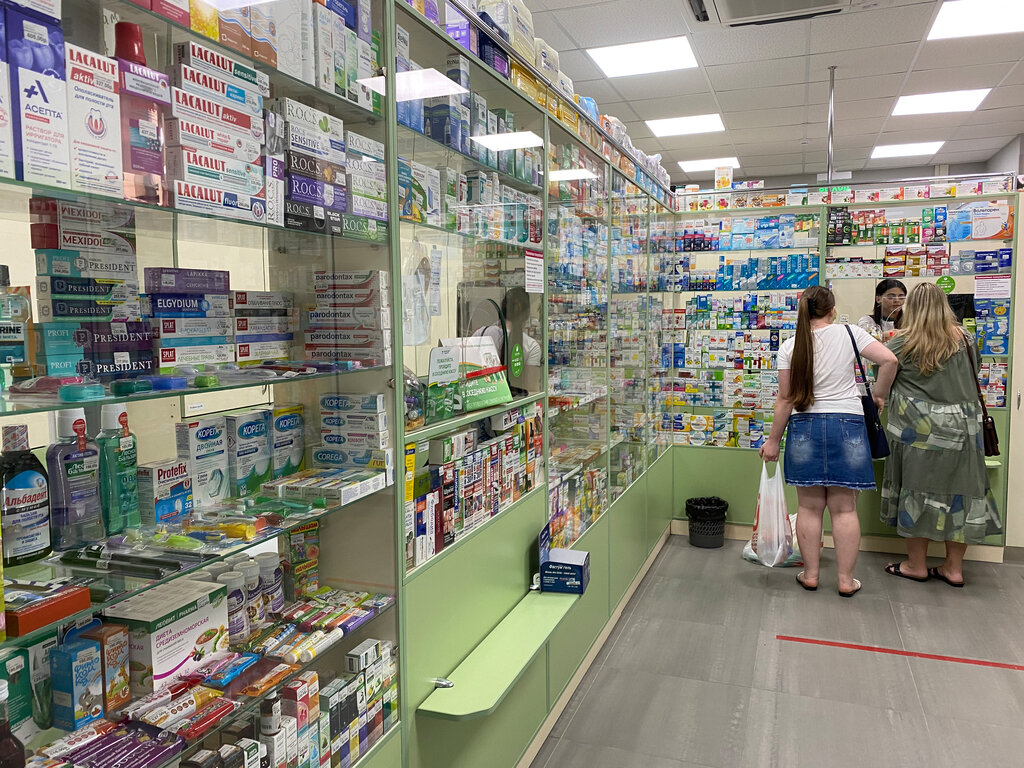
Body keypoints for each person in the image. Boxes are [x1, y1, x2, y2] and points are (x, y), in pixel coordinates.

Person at [760, 286, 898, 597]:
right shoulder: (850, 333)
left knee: (809, 508)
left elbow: (785, 399)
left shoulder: (790, 345)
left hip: (804, 425)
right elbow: (889, 360)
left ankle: (810, 575)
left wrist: (773, 441)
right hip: (847, 424)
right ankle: (846, 581)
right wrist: (878, 396)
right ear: (832, 310)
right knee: (845, 509)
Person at [881, 283, 1002, 587]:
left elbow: (882, 375)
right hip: (964, 427)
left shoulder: (902, 342)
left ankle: (916, 565)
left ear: (911, 306)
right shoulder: (966, 338)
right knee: (962, 493)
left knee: (916, 493)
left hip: (918, 430)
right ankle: (954, 568)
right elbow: (974, 371)